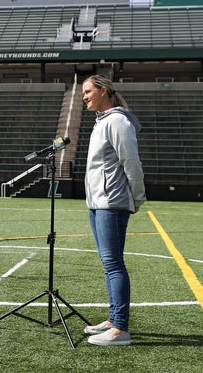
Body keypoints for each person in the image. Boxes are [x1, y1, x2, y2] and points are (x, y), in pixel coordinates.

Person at [81, 74, 146, 347]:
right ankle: (112, 319)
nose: (83, 96)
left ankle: (120, 329)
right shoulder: (102, 122)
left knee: (114, 264)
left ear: (104, 91)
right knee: (108, 264)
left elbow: (130, 161)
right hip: (97, 203)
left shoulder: (118, 120)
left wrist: (138, 195)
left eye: (87, 91)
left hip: (112, 202)